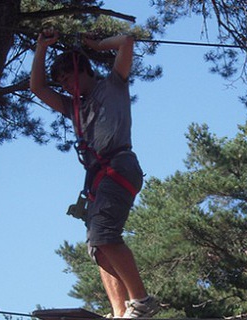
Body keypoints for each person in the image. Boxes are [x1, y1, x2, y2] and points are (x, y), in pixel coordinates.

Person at [30, 29, 160, 318]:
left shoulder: (113, 85)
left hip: (120, 165)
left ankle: (142, 301)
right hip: (100, 177)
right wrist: (41, 48)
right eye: (61, 82)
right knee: (97, 248)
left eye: (67, 78)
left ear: (85, 70)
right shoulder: (73, 107)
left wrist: (96, 45)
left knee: (104, 234)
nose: (65, 86)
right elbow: (38, 88)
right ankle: (120, 311)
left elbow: (126, 42)